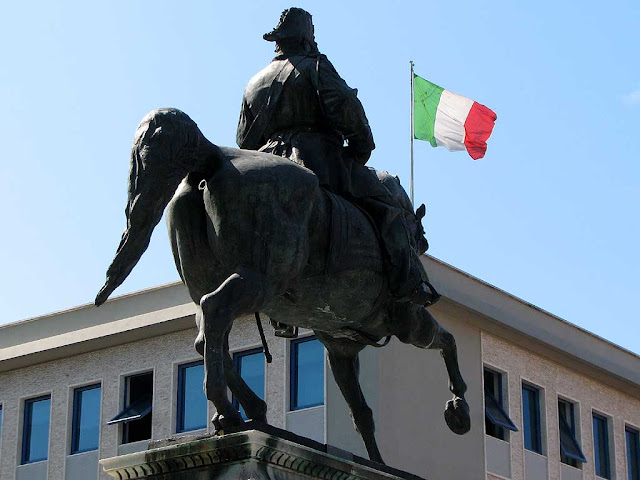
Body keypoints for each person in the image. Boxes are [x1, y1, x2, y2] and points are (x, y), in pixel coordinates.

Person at [237, 8, 437, 327]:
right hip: (318, 160)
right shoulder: (316, 66)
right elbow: (347, 108)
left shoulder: (253, 84)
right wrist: (361, 146)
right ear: (306, 39)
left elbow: (243, 142)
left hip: (267, 163)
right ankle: (410, 282)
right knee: (388, 202)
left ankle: (281, 312)